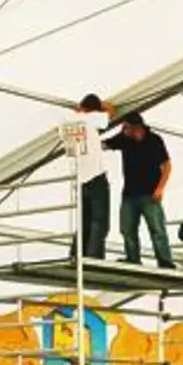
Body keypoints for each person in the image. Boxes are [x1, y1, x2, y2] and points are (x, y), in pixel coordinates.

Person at [103, 112, 174, 268]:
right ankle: (133, 258)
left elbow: (167, 165)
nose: (123, 130)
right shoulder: (124, 139)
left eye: (126, 127)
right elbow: (103, 145)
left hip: (150, 193)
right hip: (129, 194)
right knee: (127, 229)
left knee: (157, 228)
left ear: (136, 127)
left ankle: (165, 261)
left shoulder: (154, 140)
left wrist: (160, 188)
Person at [65, 94, 116, 259]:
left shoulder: (69, 123)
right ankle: (93, 258)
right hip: (96, 177)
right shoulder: (91, 119)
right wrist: (99, 108)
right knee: (99, 223)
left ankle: (76, 254)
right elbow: (111, 109)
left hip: (81, 179)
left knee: (84, 222)